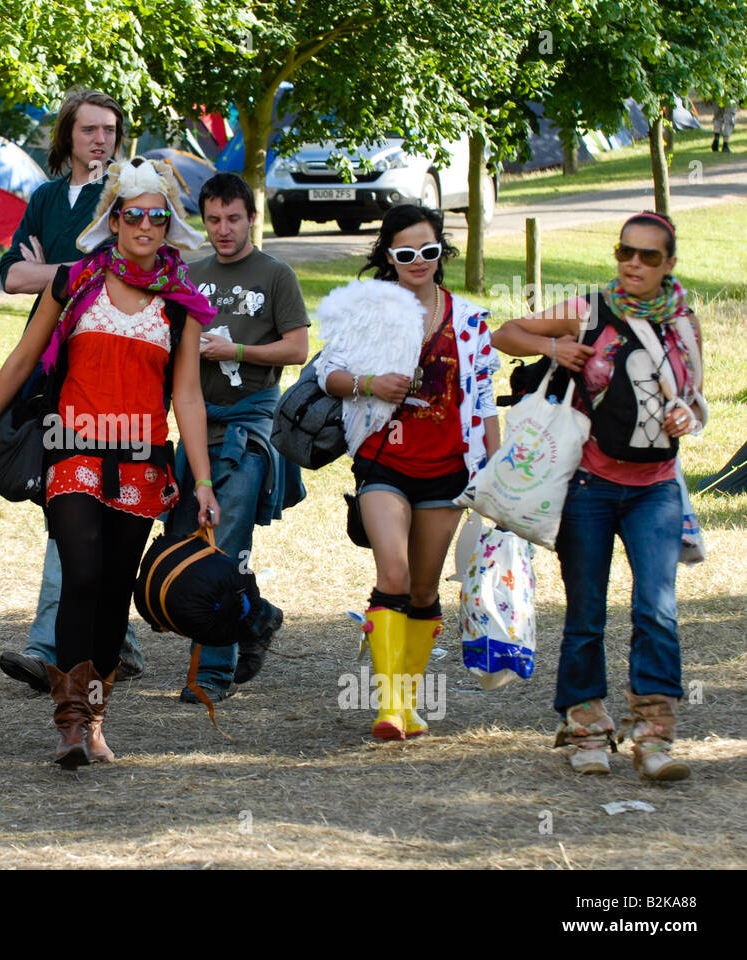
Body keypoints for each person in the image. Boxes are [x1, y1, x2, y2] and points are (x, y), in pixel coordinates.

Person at [0, 157, 218, 767]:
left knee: (115, 591)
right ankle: (70, 722)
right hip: (71, 450)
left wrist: (201, 481)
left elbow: (187, 396)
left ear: (169, 223)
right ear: (114, 219)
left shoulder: (180, 305)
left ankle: (94, 714)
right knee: (84, 575)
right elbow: (22, 360)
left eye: (157, 215)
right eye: (133, 215)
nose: (145, 226)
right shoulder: (73, 281)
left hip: (143, 457)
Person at [490, 212, 705, 780]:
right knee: (586, 611)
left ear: (669, 265)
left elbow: (695, 397)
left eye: (648, 257)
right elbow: (504, 332)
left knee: (656, 609)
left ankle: (655, 735)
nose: (634, 264)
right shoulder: (589, 309)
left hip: (656, 488)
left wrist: (688, 414)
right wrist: (553, 349)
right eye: (625, 252)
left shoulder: (684, 322)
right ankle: (586, 726)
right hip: (588, 484)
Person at [315, 204, 500, 740]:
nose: (418, 261)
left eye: (428, 250)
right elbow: (327, 371)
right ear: (389, 258)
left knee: (422, 590)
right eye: (405, 253)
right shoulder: (370, 311)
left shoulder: (470, 320)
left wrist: (493, 475)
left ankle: (411, 701)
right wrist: (370, 385)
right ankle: (390, 707)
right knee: (391, 574)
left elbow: (484, 403)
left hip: (447, 470)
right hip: (382, 462)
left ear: (442, 251)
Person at [0, 89, 145, 691]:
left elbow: (129, 269)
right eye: (89, 130)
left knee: (96, 500)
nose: (101, 140)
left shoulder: (131, 200)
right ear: (67, 137)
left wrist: (50, 269)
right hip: (53, 371)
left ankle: (53, 646)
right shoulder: (48, 199)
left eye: (109, 130)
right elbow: (12, 276)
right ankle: (116, 643)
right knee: (73, 500)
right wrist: (71, 271)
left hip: (118, 370)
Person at [165, 173, 309, 703]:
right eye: (214, 219)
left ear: (252, 217)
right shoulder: (189, 272)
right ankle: (259, 617)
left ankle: (211, 674)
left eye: (233, 218)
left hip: (252, 423)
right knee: (186, 540)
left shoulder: (276, 274)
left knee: (224, 544)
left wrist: (237, 353)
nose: (223, 230)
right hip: (197, 421)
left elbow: (297, 349)